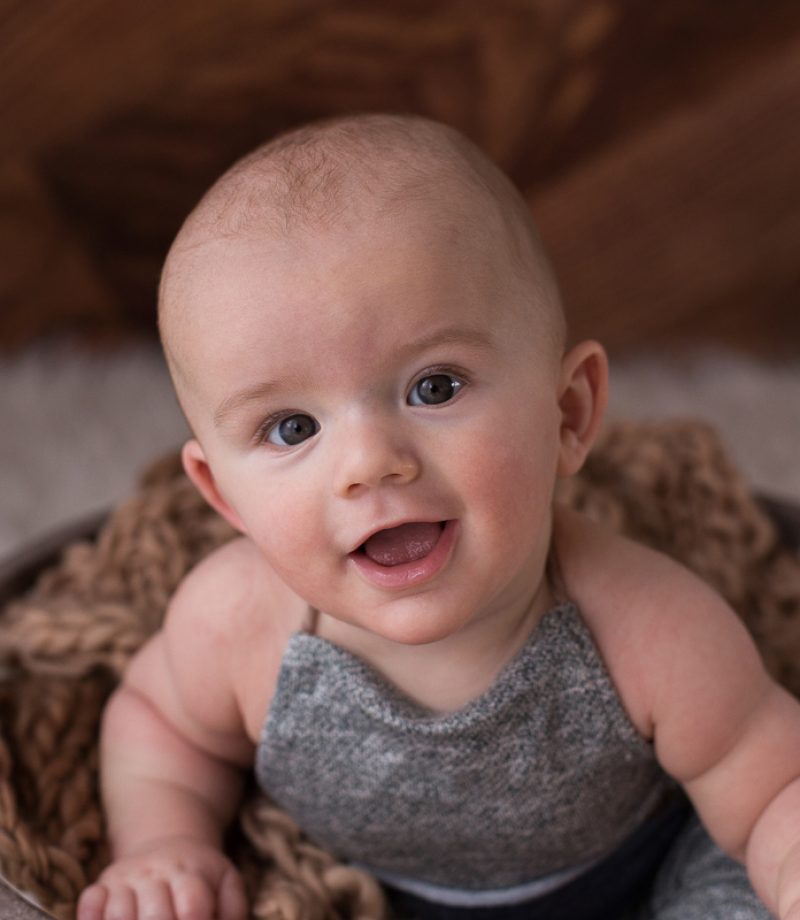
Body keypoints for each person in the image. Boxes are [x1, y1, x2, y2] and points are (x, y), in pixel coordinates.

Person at [77, 113, 800, 920]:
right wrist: (164, 846)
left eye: (435, 387)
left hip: (638, 879)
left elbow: (774, 786)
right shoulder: (235, 626)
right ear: (222, 496)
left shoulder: (652, 631)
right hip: (366, 895)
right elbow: (161, 727)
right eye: (292, 429)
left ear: (567, 413)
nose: (370, 463)